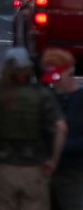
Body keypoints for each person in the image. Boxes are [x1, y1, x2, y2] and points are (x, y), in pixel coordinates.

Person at [0, 48, 66, 210]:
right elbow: (61, 127)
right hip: (34, 168)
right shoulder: (40, 94)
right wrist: (53, 160)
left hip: (4, 167)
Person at [50, 50, 83, 210]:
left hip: (73, 173)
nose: (54, 82)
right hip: (49, 174)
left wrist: (60, 147)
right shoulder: (52, 99)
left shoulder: (79, 100)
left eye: (57, 77)